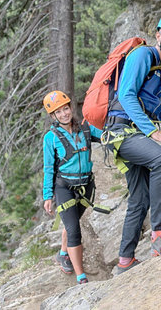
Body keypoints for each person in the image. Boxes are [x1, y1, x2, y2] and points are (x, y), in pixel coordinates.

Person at [105, 11, 161, 275]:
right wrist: (152, 132)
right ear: (159, 34)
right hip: (121, 131)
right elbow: (126, 94)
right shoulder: (143, 56)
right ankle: (160, 236)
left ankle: (125, 261)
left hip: (135, 134)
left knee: (140, 199)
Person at [42, 90, 103, 284]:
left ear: (71, 107)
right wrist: (47, 196)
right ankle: (81, 277)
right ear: (53, 116)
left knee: (72, 221)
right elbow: (48, 169)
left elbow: (106, 136)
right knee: (74, 228)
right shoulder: (50, 138)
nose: (64, 114)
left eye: (65, 109)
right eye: (58, 112)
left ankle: (63, 253)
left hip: (86, 185)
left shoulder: (85, 129)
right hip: (64, 187)